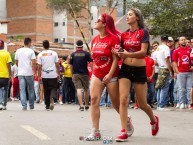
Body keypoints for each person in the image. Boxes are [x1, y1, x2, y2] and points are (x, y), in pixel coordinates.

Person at [86, 13, 134, 141]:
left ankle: (127, 121)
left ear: (105, 23)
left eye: (98, 20)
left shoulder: (113, 38)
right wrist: (94, 71)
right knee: (94, 100)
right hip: (97, 74)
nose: (95, 22)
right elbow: (94, 59)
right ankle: (95, 131)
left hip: (112, 75)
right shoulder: (95, 40)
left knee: (116, 105)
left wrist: (110, 74)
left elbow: (115, 59)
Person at [114, 8, 159, 142]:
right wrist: (118, 51)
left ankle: (153, 120)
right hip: (126, 69)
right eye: (127, 15)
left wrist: (127, 54)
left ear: (137, 18)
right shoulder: (124, 35)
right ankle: (123, 130)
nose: (127, 17)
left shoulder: (143, 32)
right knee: (123, 99)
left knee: (142, 103)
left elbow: (143, 52)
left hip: (139, 70)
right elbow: (122, 51)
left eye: (130, 15)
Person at [69, 40, 92, 111]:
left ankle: (81, 106)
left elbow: (70, 65)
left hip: (76, 74)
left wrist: (72, 73)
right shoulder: (87, 54)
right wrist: (93, 71)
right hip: (85, 74)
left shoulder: (72, 54)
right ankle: (87, 105)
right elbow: (91, 63)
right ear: (82, 45)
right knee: (86, 89)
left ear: (76, 45)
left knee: (78, 89)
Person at [37, 40, 59, 111]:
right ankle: (52, 97)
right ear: (49, 45)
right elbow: (57, 64)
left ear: (43, 46)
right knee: (53, 88)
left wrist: (39, 75)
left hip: (45, 75)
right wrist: (58, 73)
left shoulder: (40, 54)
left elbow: (39, 66)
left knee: (46, 90)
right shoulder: (54, 53)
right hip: (53, 74)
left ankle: (47, 105)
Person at [15, 38, 36, 110]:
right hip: (29, 73)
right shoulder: (31, 51)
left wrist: (20, 67)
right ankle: (31, 105)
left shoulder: (18, 51)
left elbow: (16, 62)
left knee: (22, 90)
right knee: (31, 90)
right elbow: (33, 62)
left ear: (24, 43)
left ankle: (24, 106)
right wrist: (34, 71)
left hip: (20, 73)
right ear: (29, 43)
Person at [172, 36, 192, 109]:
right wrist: (176, 71)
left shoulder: (190, 50)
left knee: (189, 89)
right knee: (181, 89)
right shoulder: (176, 51)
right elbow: (174, 62)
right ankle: (182, 102)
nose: (183, 41)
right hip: (181, 72)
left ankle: (189, 103)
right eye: (182, 40)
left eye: (184, 39)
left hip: (189, 72)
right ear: (179, 42)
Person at [0, 40, 12, 110]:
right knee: (5, 90)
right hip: (5, 75)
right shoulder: (7, 53)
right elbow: (8, 65)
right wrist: (10, 74)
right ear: (3, 46)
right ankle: (3, 104)